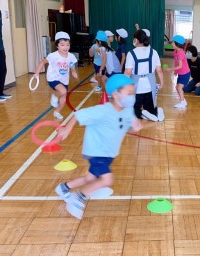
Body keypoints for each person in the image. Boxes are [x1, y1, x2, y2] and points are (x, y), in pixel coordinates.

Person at [55, 74, 143, 219]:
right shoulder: (103, 111)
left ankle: (64, 188)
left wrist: (135, 126)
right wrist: (66, 129)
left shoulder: (128, 111)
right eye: (129, 93)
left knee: (90, 178)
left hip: (109, 153)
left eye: (133, 93)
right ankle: (78, 198)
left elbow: (127, 126)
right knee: (107, 179)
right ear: (116, 94)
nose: (132, 96)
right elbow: (78, 115)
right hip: (97, 152)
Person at [34, 31, 78, 120]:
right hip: (53, 78)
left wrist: (73, 71)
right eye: (62, 45)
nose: (65, 47)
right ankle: (55, 95)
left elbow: (71, 65)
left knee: (63, 98)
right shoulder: (53, 56)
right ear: (57, 46)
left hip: (64, 80)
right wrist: (37, 73)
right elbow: (43, 62)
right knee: (63, 92)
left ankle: (57, 111)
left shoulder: (71, 56)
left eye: (67, 45)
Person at [125, 29, 165, 122]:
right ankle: (155, 113)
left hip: (137, 87)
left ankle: (142, 114)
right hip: (150, 87)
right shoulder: (153, 52)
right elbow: (159, 70)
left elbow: (128, 72)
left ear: (136, 40)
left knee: (134, 113)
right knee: (151, 109)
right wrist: (162, 83)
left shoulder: (131, 53)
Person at [168, 35, 190, 108]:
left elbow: (180, 66)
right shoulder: (175, 51)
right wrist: (175, 71)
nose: (171, 43)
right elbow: (176, 62)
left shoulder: (181, 53)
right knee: (177, 87)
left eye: (173, 42)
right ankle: (183, 101)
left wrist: (171, 69)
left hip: (185, 74)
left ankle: (182, 103)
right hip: (181, 73)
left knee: (179, 88)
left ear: (176, 44)